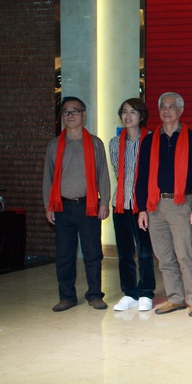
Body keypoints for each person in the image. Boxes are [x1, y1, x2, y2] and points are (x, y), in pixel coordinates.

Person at [135, 92, 192, 317]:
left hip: (181, 204)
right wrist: (141, 209)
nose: (166, 111)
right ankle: (175, 298)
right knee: (164, 256)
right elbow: (141, 177)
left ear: (180, 110)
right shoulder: (149, 141)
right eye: (163, 107)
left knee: (185, 255)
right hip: (155, 205)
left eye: (171, 106)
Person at [43, 96, 111, 312]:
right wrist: (48, 205)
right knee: (64, 255)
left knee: (93, 254)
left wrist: (104, 202)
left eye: (75, 111)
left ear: (84, 114)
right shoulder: (54, 145)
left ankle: (95, 295)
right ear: (62, 116)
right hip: (62, 207)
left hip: (88, 206)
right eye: (66, 112)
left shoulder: (95, 144)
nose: (70, 115)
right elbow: (48, 177)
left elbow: (103, 175)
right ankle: (67, 297)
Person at [109, 98, 156, 312]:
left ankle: (146, 292)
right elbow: (118, 172)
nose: (128, 116)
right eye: (124, 112)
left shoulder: (152, 140)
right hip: (120, 204)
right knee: (125, 253)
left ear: (142, 116)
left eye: (133, 112)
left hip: (143, 205)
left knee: (145, 252)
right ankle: (129, 293)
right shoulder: (114, 143)